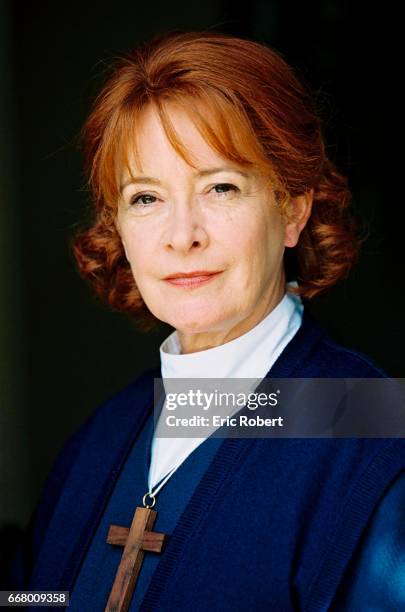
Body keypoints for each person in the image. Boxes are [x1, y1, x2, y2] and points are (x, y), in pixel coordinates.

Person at [6, 30, 405, 611]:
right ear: (115, 223)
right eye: (146, 198)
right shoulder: (107, 433)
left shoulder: (370, 430)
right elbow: (37, 594)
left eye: (221, 187)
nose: (182, 235)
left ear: (292, 208)